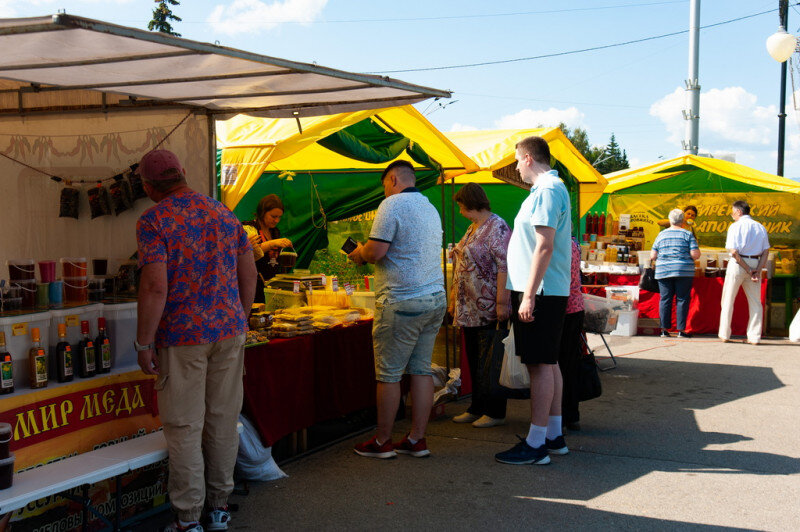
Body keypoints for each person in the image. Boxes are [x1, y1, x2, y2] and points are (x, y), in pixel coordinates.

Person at [135, 150, 257, 532]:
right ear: (183, 173)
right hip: (228, 330)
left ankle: (188, 518)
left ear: (148, 187)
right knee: (222, 420)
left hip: (182, 336)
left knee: (185, 426)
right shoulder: (224, 213)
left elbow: (155, 286)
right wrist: (241, 316)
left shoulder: (154, 219)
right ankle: (220, 507)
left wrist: (143, 343)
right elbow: (248, 273)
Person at [347, 160, 445, 459]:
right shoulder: (429, 206)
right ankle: (417, 439)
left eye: (384, 186)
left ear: (391, 180)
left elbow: (376, 251)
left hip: (402, 300)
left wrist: (358, 253)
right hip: (434, 298)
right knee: (420, 370)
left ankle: (382, 442)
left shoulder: (391, 206)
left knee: (389, 375)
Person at [495, 136, 572, 466]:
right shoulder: (548, 190)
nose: (515, 167)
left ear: (528, 158)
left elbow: (544, 246)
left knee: (539, 366)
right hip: (543, 290)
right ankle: (553, 435)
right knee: (548, 362)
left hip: (539, 291)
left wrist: (528, 295)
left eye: (516, 160)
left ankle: (537, 443)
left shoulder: (546, 191)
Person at [448, 183, 511, 428]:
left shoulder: (498, 227)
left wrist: (502, 302)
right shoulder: (473, 227)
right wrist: (455, 298)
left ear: (473, 204)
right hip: (469, 306)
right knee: (475, 358)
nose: (461, 211)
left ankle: (495, 410)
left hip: (489, 305)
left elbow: (505, 266)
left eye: (462, 206)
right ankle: (477, 405)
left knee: (491, 358)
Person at [718, 200, 769, 345]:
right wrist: (757, 270)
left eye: (733, 211)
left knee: (728, 299)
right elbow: (766, 251)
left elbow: (733, 252)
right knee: (755, 302)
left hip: (738, 264)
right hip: (755, 263)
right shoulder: (760, 227)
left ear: (739, 212)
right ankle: (754, 337)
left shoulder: (735, 226)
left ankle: (724, 334)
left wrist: (749, 269)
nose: (731, 214)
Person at [651, 208, 700, 338]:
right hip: (683, 271)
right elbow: (695, 255)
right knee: (682, 299)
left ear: (670, 220)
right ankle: (681, 330)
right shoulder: (687, 234)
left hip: (664, 270)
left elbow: (653, 255)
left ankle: (663, 330)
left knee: (665, 299)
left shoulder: (661, 235)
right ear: (683, 220)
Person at [242, 194, 292, 303]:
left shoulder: (274, 232)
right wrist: (272, 243)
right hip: (254, 286)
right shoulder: (249, 229)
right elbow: (249, 253)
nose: (276, 220)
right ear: (262, 213)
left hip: (272, 287)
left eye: (279, 217)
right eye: (273, 216)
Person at [558, 237, 585, 431]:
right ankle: (570, 414)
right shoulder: (574, 242)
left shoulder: (559, 243)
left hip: (563, 308)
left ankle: (561, 415)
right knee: (569, 364)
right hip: (574, 306)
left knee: (558, 366)